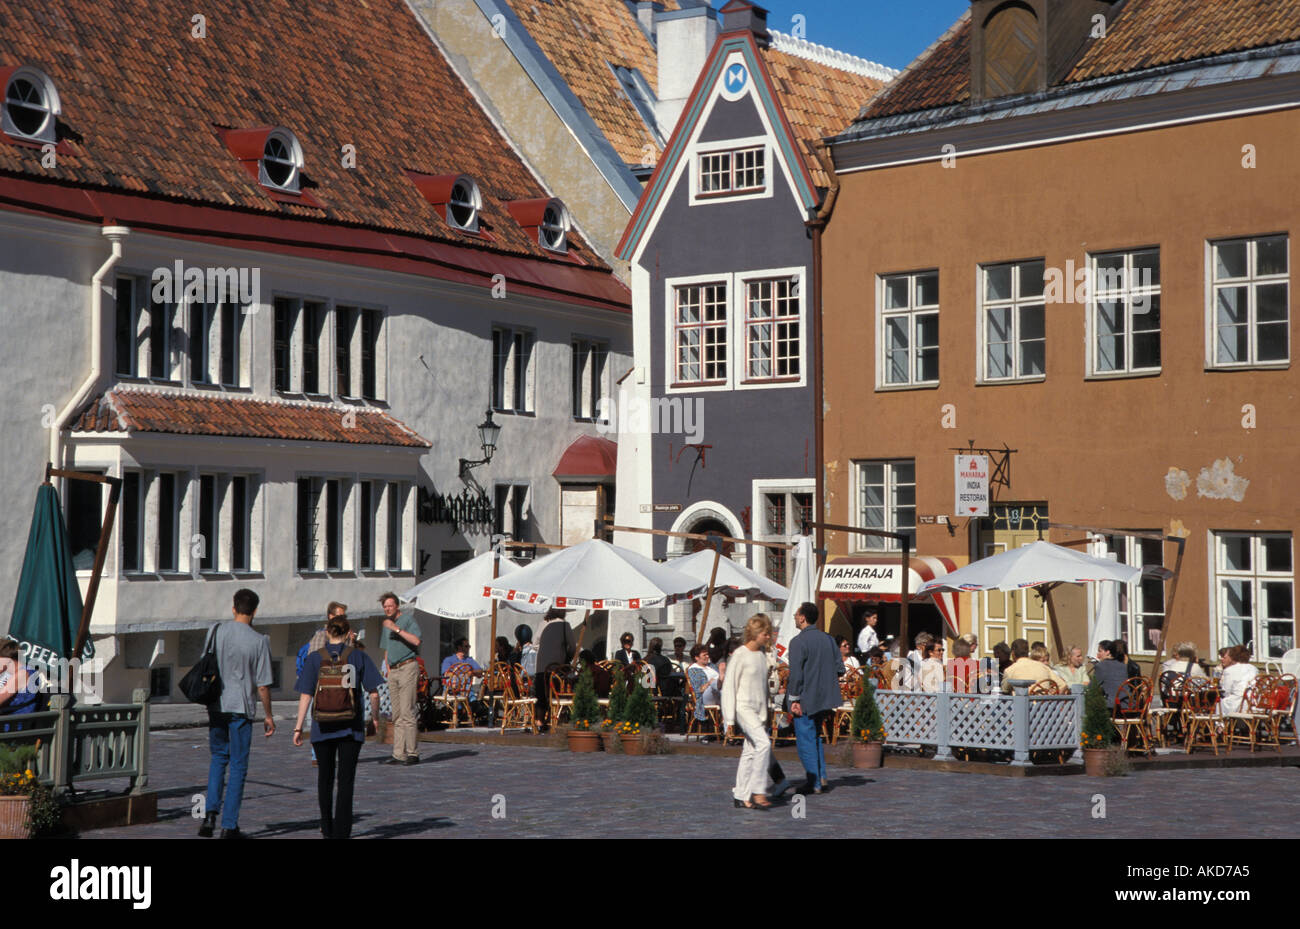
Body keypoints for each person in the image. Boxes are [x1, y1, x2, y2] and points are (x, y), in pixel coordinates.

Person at [293, 615, 383, 839]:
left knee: (324, 779)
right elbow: (374, 693)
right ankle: (342, 832)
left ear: (327, 631)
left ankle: (326, 828)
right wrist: (375, 718)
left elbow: (305, 695)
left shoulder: (315, 658)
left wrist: (297, 728)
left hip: (322, 727)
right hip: (350, 727)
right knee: (346, 781)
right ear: (348, 632)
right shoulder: (358, 656)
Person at [198, 588, 274, 839]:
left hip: (216, 703)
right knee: (239, 766)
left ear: (234, 608)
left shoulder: (215, 630)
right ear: (254, 612)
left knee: (219, 758)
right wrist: (269, 715)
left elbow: (204, 663)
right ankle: (229, 825)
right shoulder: (259, 641)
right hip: (241, 707)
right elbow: (262, 684)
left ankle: (209, 815)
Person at [773, 602, 842, 797]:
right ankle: (821, 777)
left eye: (796, 614)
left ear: (802, 618)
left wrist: (794, 698)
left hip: (805, 698)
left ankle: (814, 781)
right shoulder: (828, 639)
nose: (794, 617)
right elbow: (840, 668)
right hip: (825, 697)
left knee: (805, 740)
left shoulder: (798, 641)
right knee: (815, 737)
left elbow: (796, 675)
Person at [722, 614, 775, 810]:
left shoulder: (761, 656)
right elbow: (729, 687)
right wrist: (729, 719)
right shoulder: (739, 655)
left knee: (750, 751)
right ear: (754, 633)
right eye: (765, 633)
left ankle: (741, 794)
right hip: (743, 708)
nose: (768, 637)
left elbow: (763, 689)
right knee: (763, 744)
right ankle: (758, 790)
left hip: (759, 711)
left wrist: (767, 713)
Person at [298, 601, 346, 766]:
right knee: (317, 719)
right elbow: (315, 659)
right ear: (330, 616)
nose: (343, 618)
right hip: (322, 686)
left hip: (340, 687)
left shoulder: (347, 635)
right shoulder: (321, 635)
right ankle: (317, 754)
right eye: (340, 615)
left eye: (344, 616)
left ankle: (333, 752)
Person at [379, 591, 421, 766]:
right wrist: (387, 667)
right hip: (393, 670)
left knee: (407, 711)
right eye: (385, 606)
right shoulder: (386, 625)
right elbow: (386, 648)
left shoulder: (407, 620)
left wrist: (396, 629)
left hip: (407, 666)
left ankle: (412, 752)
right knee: (396, 714)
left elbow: (416, 641)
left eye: (390, 605)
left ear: (397, 605)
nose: (388, 609)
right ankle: (398, 753)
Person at [534, 608, 575, 731]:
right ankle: (558, 719)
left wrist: (544, 649)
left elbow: (535, 643)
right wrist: (567, 657)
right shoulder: (564, 625)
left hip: (541, 666)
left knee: (542, 694)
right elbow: (572, 646)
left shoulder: (543, 623)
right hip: (558, 667)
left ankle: (539, 721)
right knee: (558, 693)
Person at [1219, 645, 1258, 714]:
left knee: (1219, 702)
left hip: (1238, 703)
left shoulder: (1230, 670)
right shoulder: (1254, 668)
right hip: (1253, 701)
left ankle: (1221, 724)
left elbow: (1226, 691)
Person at [1092, 640, 1129, 706]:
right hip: (1129, 703)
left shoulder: (1101, 666)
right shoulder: (1123, 665)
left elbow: (1092, 686)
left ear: (1108, 652)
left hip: (1113, 704)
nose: (1098, 654)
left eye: (1100, 651)